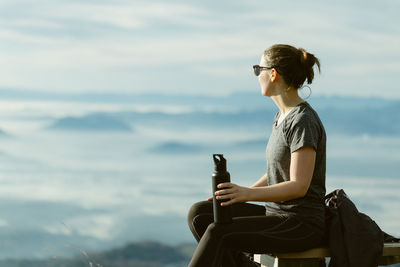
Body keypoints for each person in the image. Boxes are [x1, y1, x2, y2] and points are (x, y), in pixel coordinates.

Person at [187, 44, 327, 267]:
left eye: (257, 69)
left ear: (273, 74)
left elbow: (299, 186)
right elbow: (276, 173)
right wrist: (237, 195)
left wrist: (247, 193)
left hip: (300, 223)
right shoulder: (282, 117)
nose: (256, 75)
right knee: (199, 214)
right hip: (277, 213)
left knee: (218, 232)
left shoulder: (303, 121)